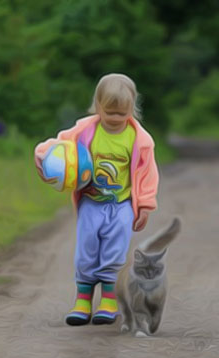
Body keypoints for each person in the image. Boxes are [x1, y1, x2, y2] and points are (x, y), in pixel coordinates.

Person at [34, 73, 160, 326]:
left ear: (131, 109)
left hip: (122, 205)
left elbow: (147, 173)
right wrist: (45, 158)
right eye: (109, 112)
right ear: (98, 106)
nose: (114, 119)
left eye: (121, 114)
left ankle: (108, 302)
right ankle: (82, 301)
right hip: (92, 203)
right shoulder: (85, 130)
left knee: (114, 251)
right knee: (86, 250)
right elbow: (57, 146)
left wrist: (145, 205)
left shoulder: (140, 140)